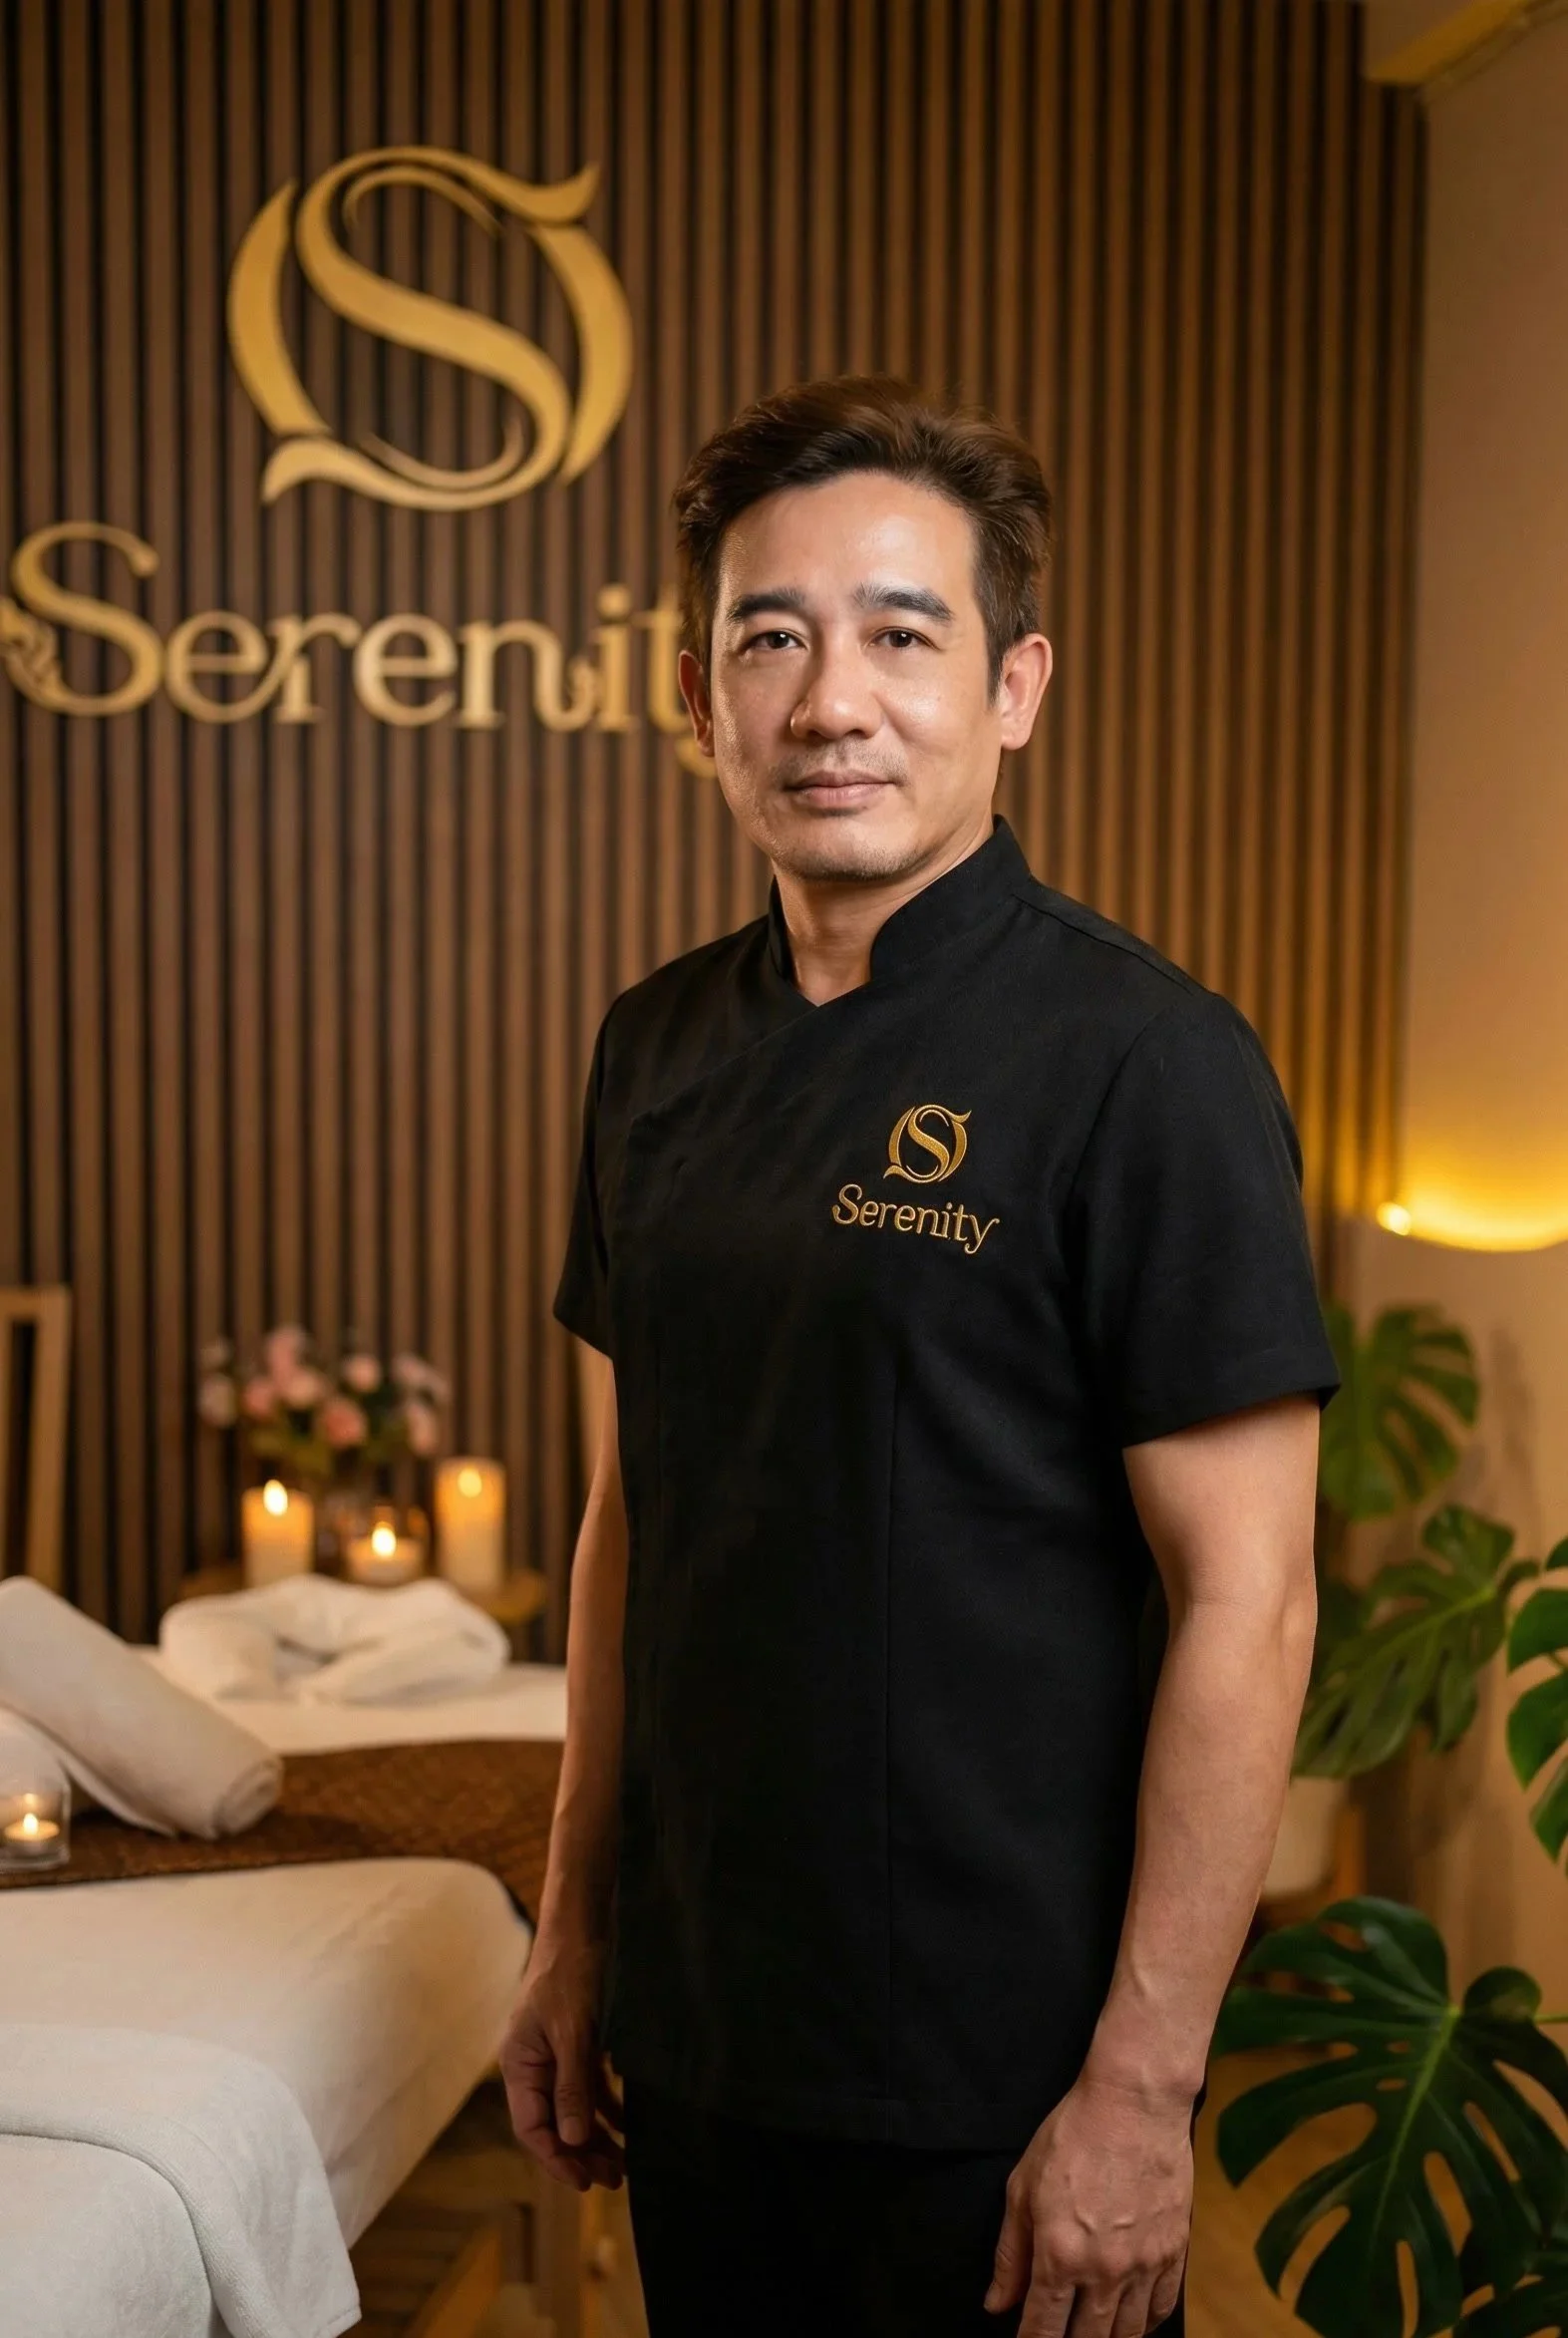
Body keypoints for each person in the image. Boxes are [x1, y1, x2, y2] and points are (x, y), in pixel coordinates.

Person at [499, 375, 1341, 2337]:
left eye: (900, 634)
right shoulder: (651, 1046)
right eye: (768, 639)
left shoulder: (1150, 1064)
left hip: (1002, 2073)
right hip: (704, 2041)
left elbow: (1255, 1596)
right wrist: (575, 1931)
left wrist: (1142, 2083)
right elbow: (634, 1515)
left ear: (1014, 686)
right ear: (697, 697)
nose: (830, 702)